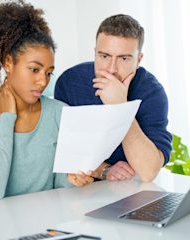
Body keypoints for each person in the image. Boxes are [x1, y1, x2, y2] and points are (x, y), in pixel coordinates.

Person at [0, 0, 92, 201]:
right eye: (34, 69)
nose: (43, 81)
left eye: (49, 73)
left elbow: (57, 184)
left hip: (50, 224)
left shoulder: (59, 112)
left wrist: (71, 180)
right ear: (8, 62)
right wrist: (7, 119)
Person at [54, 14, 172, 183]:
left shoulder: (152, 92)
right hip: (80, 189)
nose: (111, 69)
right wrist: (104, 170)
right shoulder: (70, 82)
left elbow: (148, 172)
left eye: (124, 58)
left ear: (139, 60)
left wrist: (121, 107)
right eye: (104, 56)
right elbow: (63, 150)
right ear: (94, 52)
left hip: (130, 190)